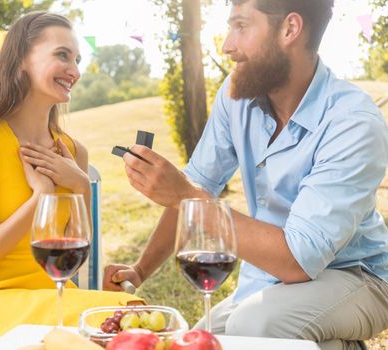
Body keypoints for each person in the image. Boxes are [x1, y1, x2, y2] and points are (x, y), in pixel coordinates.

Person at [103, 1, 388, 349]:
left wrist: (184, 196)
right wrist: (140, 270)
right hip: (269, 278)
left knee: (258, 325)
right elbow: (199, 184)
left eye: (241, 27)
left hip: (355, 275)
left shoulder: (353, 122)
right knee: (199, 341)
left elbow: (299, 259)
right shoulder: (237, 96)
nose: (227, 45)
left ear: (289, 29)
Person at [0, 12, 142, 349]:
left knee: (136, 317)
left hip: (54, 298)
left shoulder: (74, 152)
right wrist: (40, 199)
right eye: (62, 55)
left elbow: (74, 260)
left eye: (77, 59)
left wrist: (78, 185)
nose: (74, 70)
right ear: (20, 61)